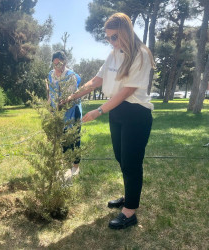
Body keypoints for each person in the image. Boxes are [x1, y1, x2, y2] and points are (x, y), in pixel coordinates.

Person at [64, 13, 154, 229]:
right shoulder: (113, 54)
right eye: (108, 38)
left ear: (125, 32)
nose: (111, 42)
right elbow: (97, 80)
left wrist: (99, 110)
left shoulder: (140, 55)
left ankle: (130, 212)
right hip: (118, 112)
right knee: (121, 158)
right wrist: (74, 94)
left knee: (131, 162)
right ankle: (128, 195)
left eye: (114, 37)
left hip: (136, 112)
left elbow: (126, 91)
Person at [47, 51, 82, 181]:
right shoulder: (51, 75)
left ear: (65, 63)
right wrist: (49, 105)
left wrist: (61, 103)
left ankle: (76, 166)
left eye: (59, 64)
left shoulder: (71, 76)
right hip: (58, 110)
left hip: (72, 109)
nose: (57, 67)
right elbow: (51, 92)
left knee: (74, 137)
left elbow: (71, 96)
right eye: (54, 64)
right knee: (61, 138)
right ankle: (64, 167)